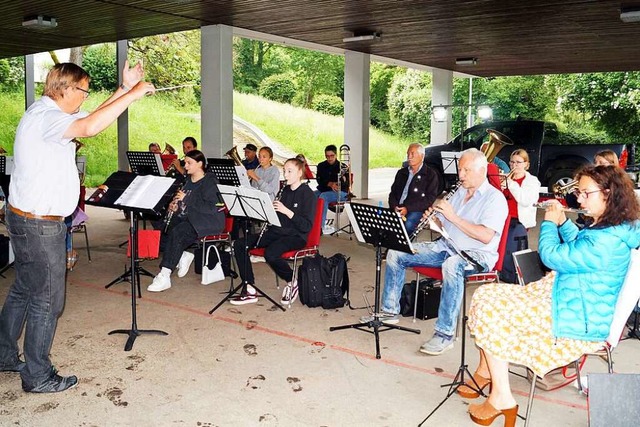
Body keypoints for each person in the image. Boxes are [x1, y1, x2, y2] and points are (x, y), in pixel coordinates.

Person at [0, 61, 154, 393]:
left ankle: (4, 354)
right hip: (41, 226)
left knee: (24, 288)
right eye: (83, 90)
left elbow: (87, 119)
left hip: (24, 218)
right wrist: (135, 95)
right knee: (48, 300)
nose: (85, 97)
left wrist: (125, 88)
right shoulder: (49, 119)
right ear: (66, 88)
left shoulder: (44, 112)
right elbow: (89, 128)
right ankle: (38, 375)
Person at [464, 165, 640, 427]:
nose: (578, 198)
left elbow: (551, 256)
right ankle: (489, 371)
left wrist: (548, 223)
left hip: (579, 320)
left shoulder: (606, 239)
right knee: (488, 295)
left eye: (585, 193)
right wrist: (564, 223)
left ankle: (501, 394)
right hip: (574, 299)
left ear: (608, 193)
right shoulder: (616, 227)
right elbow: (581, 244)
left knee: (489, 306)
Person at [365, 148, 508, 356]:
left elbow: (485, 236)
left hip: (476, 254)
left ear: (482, 171)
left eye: (467, 170)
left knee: (452, 265)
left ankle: (444, 334)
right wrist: (435, 221)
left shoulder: (494, 199)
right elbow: (446, 227)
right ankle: (389, 311)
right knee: (397, 252)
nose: (461, 175)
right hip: (446, 246)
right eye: (460, 170)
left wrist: (453, 217)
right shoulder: (459, 192)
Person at [231, 158, 317, 306]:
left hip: (295, 236)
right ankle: (250, 287)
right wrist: (268, 212)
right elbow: (276, 217)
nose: (286, 175)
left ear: (300, 173)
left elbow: (306, 226)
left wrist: (286, 211)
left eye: (290, 171)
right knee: (240, 244)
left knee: (270, 253)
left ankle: (292, 281)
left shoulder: (307, 194)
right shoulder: (284, 190)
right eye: (284, 171)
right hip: (276, 231)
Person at [148, 150, 225, 292]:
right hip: (188, 218)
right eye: (185, 162)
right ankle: (183, 253)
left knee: (178, 232)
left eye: (189, 163)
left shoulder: (210, 181)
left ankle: (165, 274)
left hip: (207, 222)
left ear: (200, 164)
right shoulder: (188, 181)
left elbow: (213, 208)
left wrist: (187, 199)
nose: (186, 166)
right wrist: (174, 207)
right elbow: (184, 205)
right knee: (160, 229)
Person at [499, 149, 541, 282]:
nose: (514, 166)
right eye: (511, 162)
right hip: (502, 218)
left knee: (510, 249)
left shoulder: (533, 181)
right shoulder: (505, 178)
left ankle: (511, 277)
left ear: (526, 164)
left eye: (518, 162)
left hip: (519, 221)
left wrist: (510, 184)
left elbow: (525, 200)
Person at [388, 143, 440, 235]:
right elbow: (393, 193)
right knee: (382, 222)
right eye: (408, 154)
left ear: (422, 156)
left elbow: (429, 199)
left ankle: (403, 246)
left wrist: (407, 208)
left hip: (417, 209)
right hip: (398, 207)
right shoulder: (401, 173)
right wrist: (394, 206)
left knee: (408, 225)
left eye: (412, 154)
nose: (409, 157)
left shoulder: (430, 175)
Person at [315, 144, 348, 234]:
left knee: (323, 197)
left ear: (336, 155)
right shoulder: (321, 166)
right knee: (310, 195)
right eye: (327, 156)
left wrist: (339, 183)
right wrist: (330, 184)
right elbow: (319, 181)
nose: (329, 158)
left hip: (341, 192)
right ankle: (312, 223)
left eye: (332, 156)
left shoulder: (343, 167)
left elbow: (346, 184)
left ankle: (321, 226)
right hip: (325, 190)